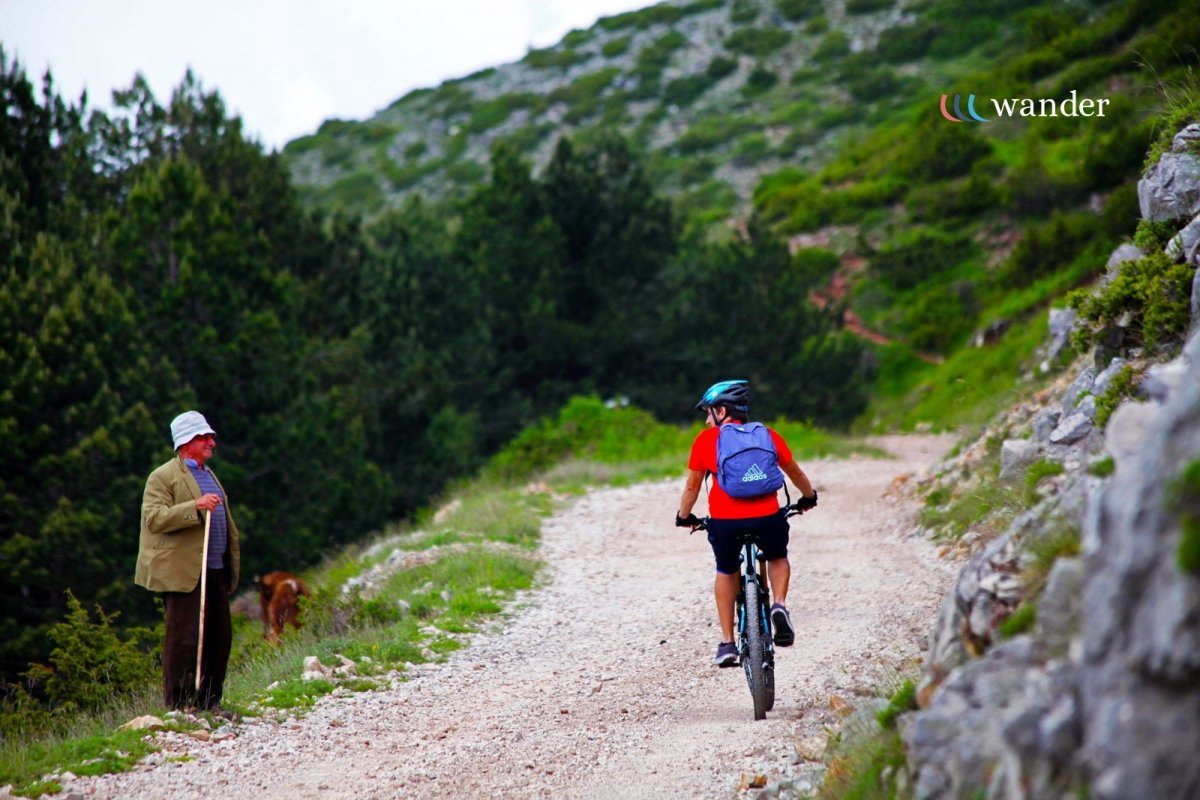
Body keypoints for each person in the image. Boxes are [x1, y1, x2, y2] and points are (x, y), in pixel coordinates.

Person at [675, 380, 817, 667]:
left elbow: (692, 488)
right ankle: (778, 605)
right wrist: (808, 496)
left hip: (726, 523)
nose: (706, 419)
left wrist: (683, 516)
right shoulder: (768, 435)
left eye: (709, 412)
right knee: (777, 555)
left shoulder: (706, 441)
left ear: (722, 411)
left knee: (726, 569)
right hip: (768, 519)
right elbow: (795, 472)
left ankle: (728, 643)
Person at [135, 410, 241, 712]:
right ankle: (180, 706)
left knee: (219, 638)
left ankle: (209, 702)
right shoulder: (163, 476)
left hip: (215, 570)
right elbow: (153, 518)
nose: (212, 443)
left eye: (210, 437)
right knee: (184, 640)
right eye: (205, 438)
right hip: (185, 572)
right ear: (186, 442)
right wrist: (194, 506)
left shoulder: (207, 473)